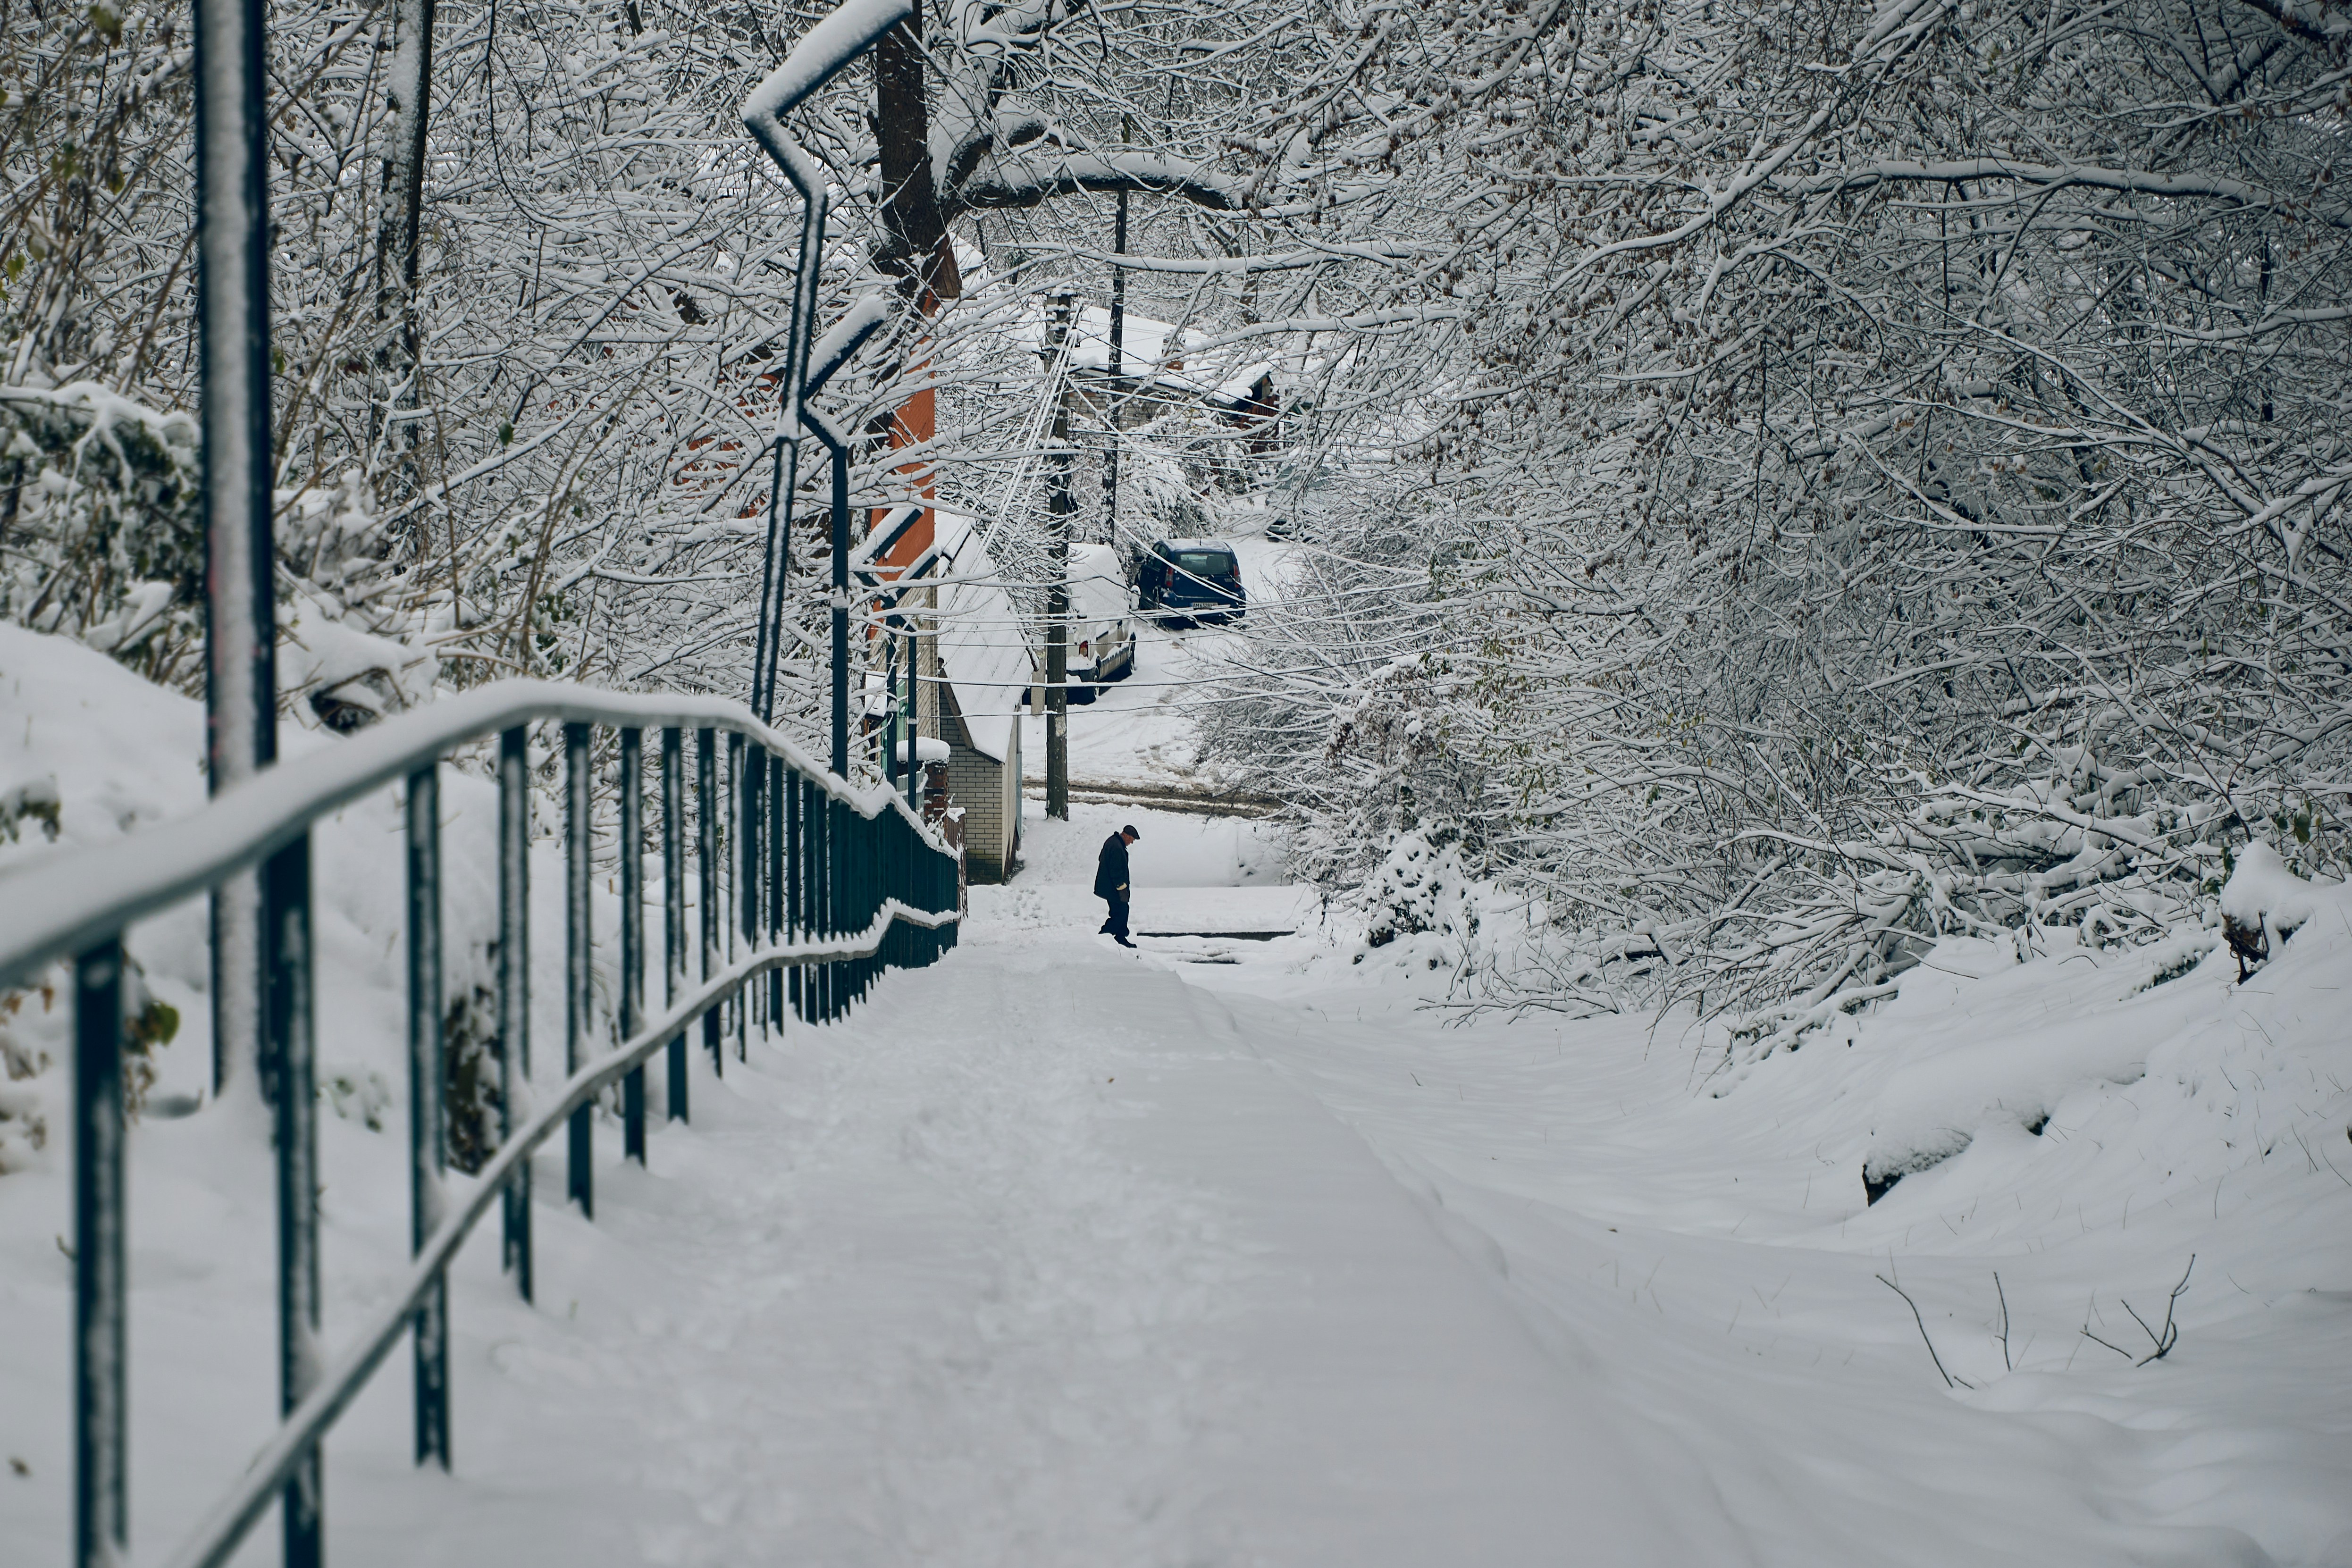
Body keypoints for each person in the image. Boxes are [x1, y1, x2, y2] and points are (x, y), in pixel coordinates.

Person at [1094, 824, 1138, 947]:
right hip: (1114, 888)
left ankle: (1120, 937)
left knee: (1122, 911)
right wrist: (1121, 887)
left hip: (1109, 886)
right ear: (1126, 836)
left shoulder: (1112, 841)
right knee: (1120, 913)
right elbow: (1116, 871)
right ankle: (1104, 935)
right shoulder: (1117, 847)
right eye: (1132, 839)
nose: (1132, 842)